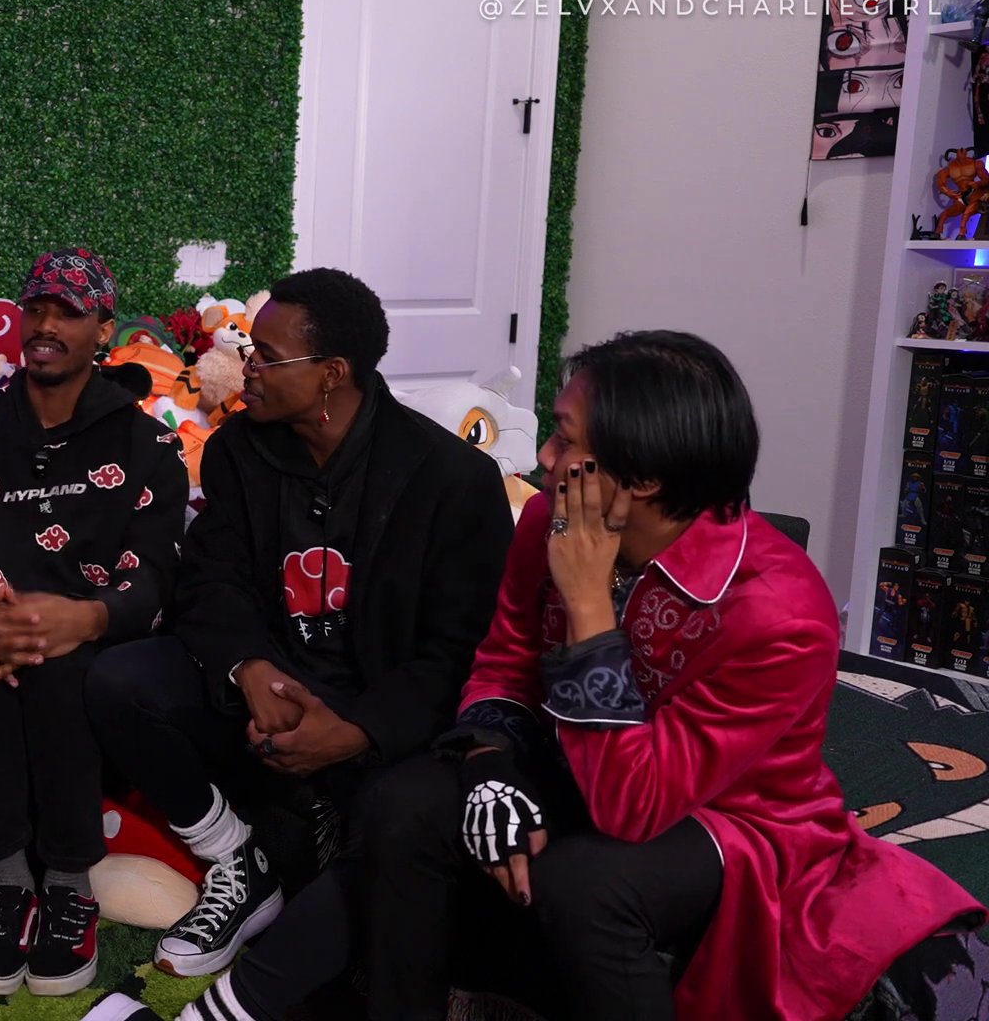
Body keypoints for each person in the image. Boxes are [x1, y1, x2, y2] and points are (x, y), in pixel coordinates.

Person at [365, 330, 986, 1020]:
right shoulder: (549, 516)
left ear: (644, 480)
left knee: (587, 884)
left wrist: (588, 604)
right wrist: (489, 765)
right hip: (572, 759)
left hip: (729, 814)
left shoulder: (779, 612)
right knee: (407, 804)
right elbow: (506, 660)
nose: (543, 457)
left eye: (565, 440)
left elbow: (633, 807)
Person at [84, 267, 513, 1016]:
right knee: (118, 682)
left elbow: (463, 653)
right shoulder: (237, 451)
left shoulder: (453, 481)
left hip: (378, 710)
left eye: (267, 357)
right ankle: (236, 862)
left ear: (332, 374)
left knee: (396, 824)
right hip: (270, 685)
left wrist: (358, 730)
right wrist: (249, 669)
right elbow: (210, 581)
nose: (245, 367)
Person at [0, 248, 189, 997]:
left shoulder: (147, 443)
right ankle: (6, 884)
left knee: (58, 660)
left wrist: (88, 617)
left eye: (68, 312)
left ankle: (68, 884)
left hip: (90, 633)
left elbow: (153, 575)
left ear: (104, 328)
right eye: (36, 309)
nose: (46, 325)